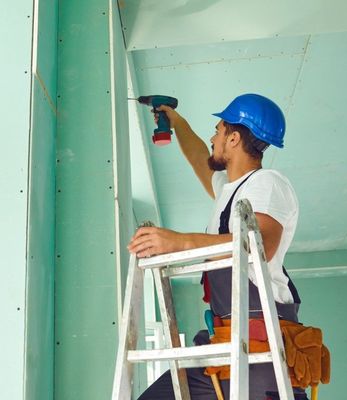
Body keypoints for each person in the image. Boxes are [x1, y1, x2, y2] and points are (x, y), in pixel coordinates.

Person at [128, 93, 305, 399]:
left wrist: (178, 241)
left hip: (260, 351)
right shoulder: (230, 190)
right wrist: (175, 120)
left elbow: (257, 248)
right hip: (225, 345)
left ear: (233, 138)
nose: (212, 137)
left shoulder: (267, 183)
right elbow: (200, 156)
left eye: (218, 130)